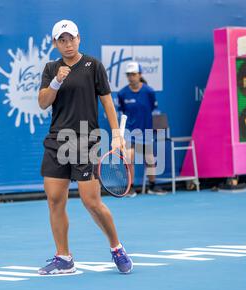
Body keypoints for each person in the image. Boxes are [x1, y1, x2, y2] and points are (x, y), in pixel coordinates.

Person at [37, 19, 133, 275]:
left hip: (85, 141)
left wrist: (116, 135)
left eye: (72, 39)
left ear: (79, 38)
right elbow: (43, 103)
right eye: (62, 40)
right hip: (56, 142)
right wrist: (56, 81)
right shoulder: (50, 69)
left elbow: (107, 102)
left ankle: (117, 248)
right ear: (55, 43)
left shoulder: (93, 66)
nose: (68, 44)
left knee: (92, 202)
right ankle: (64, 257)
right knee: (55, 201)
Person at [117, 61, 167, 197]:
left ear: (139, 74)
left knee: (150, 159)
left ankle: (152, 186)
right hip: (129, 132)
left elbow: (154, 110)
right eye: (128, 75)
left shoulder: (149, 91)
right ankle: (130, 187)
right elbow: (121, 113)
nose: (131, 77)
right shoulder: (122, 94)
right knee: (130, 158)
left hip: (146, 131)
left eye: (133, 74)